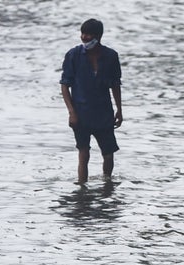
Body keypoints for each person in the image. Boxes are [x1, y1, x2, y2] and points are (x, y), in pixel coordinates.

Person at [60, 18, 123, 184]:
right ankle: (82, 187)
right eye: (82, 33)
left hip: (104, 112)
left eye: (88, 34)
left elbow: (115, 85)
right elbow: (65, 86)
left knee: (108, 153)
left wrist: (120, 110)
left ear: (98, 36)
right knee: (83, 153)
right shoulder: (73, 55)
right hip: (80, 113)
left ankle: (107, 184)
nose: (84, 37)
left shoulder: (111, 56)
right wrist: (72, 113)